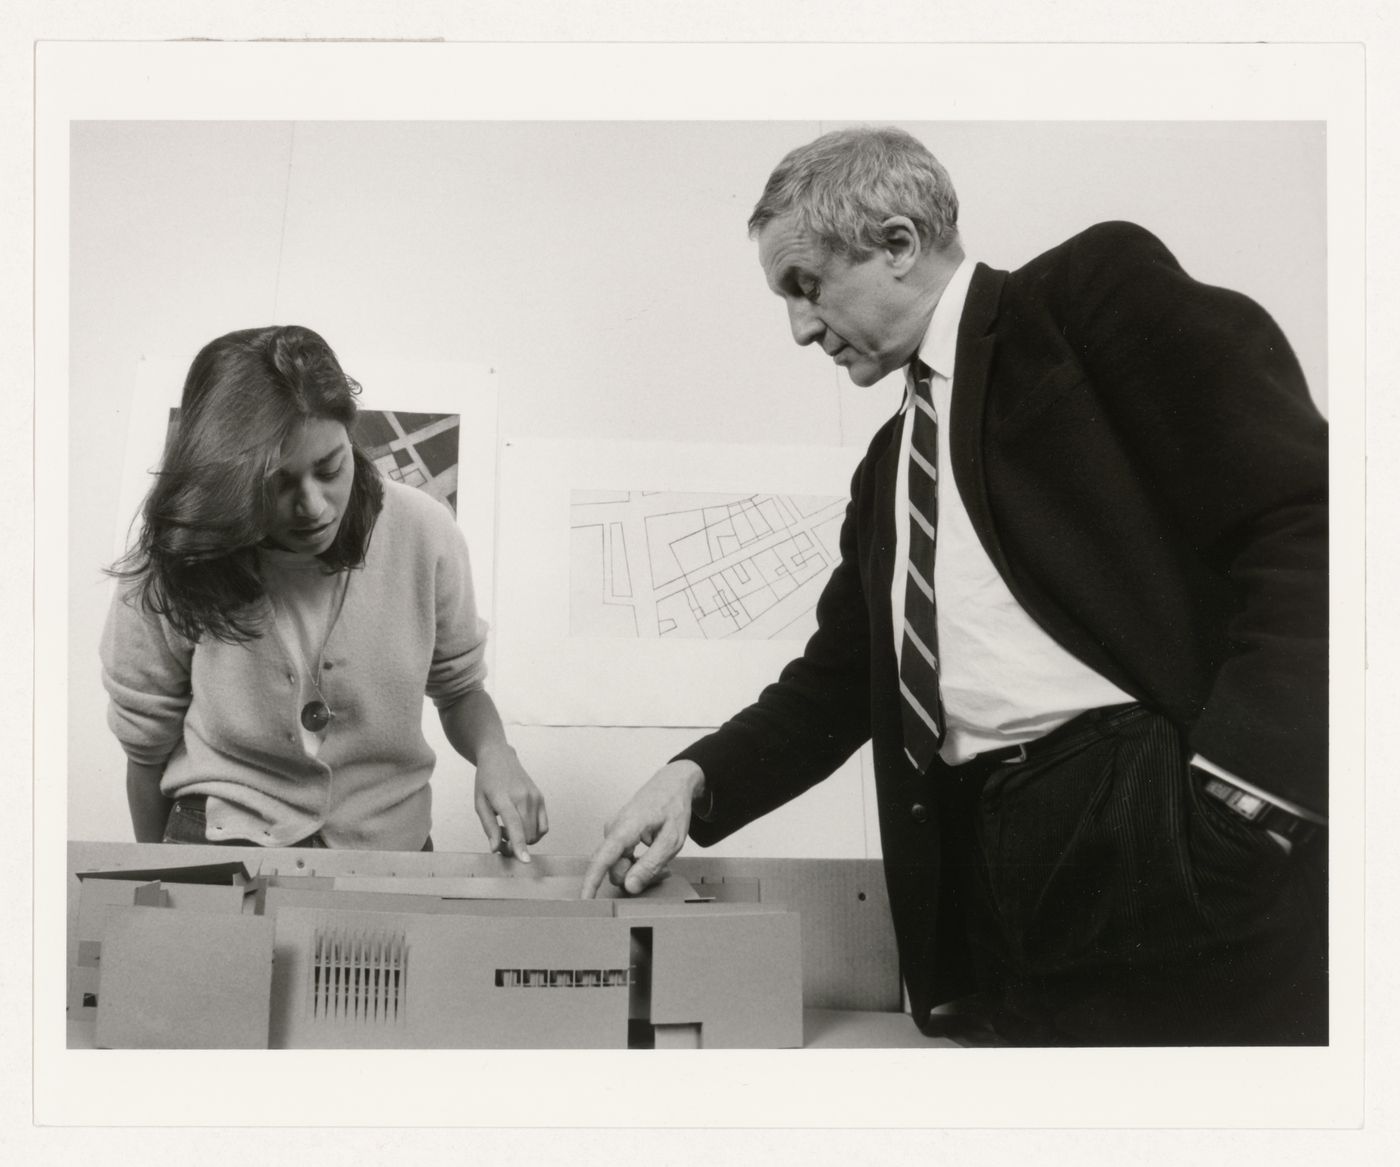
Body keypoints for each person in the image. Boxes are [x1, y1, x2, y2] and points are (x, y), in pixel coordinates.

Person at [582, 127, 1328, 1046]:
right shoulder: (888, 464)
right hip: (985, 879)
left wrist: (1250, 798)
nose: (801, 328)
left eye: (806, 286)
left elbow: (1309, 518)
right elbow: (836, 685)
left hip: (1159, 830)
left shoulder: (1087, 297)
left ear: (898, 243)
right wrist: (692, 779)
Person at [102, 324, 547, 857]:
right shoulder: (178, 555)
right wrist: (161, 883)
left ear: (349, 436)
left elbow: (459, 689)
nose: (312, 505)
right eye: (275, 483)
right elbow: (145, 751)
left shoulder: (424, 532)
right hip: (218, 834)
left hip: (388, 846)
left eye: (330, 467)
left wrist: (497, 752)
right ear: (225, 479)